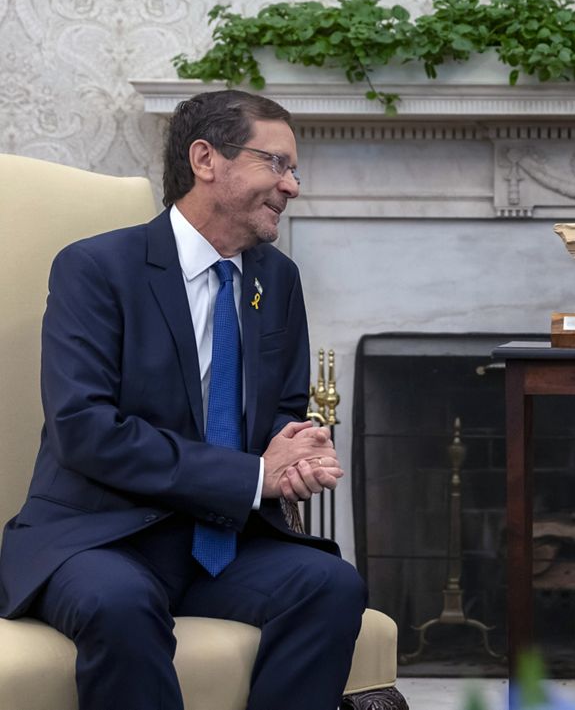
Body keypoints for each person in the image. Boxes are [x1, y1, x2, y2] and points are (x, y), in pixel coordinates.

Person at [0, 90, 366, 709]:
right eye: (275, 163)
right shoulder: (96, 268)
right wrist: (252, 473)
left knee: (330, 584)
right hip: (98, 538)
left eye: (294, 168)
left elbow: (282, 408)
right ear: (206, 159)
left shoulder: (277, 279)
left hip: (221, 542)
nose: (293, 185)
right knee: (120, 602)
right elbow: (84, 429)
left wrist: (295, 452)